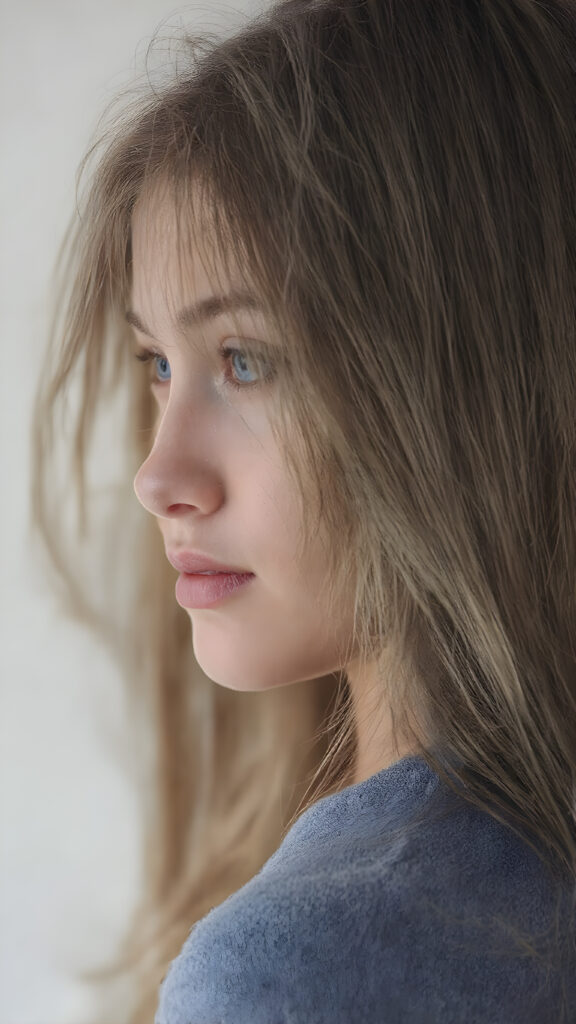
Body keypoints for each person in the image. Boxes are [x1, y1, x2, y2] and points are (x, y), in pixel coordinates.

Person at [32, 0, 576, 1021]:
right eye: (158, 363)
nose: (160, 476)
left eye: (243, 359)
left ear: (454, 378)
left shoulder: (298, 970)